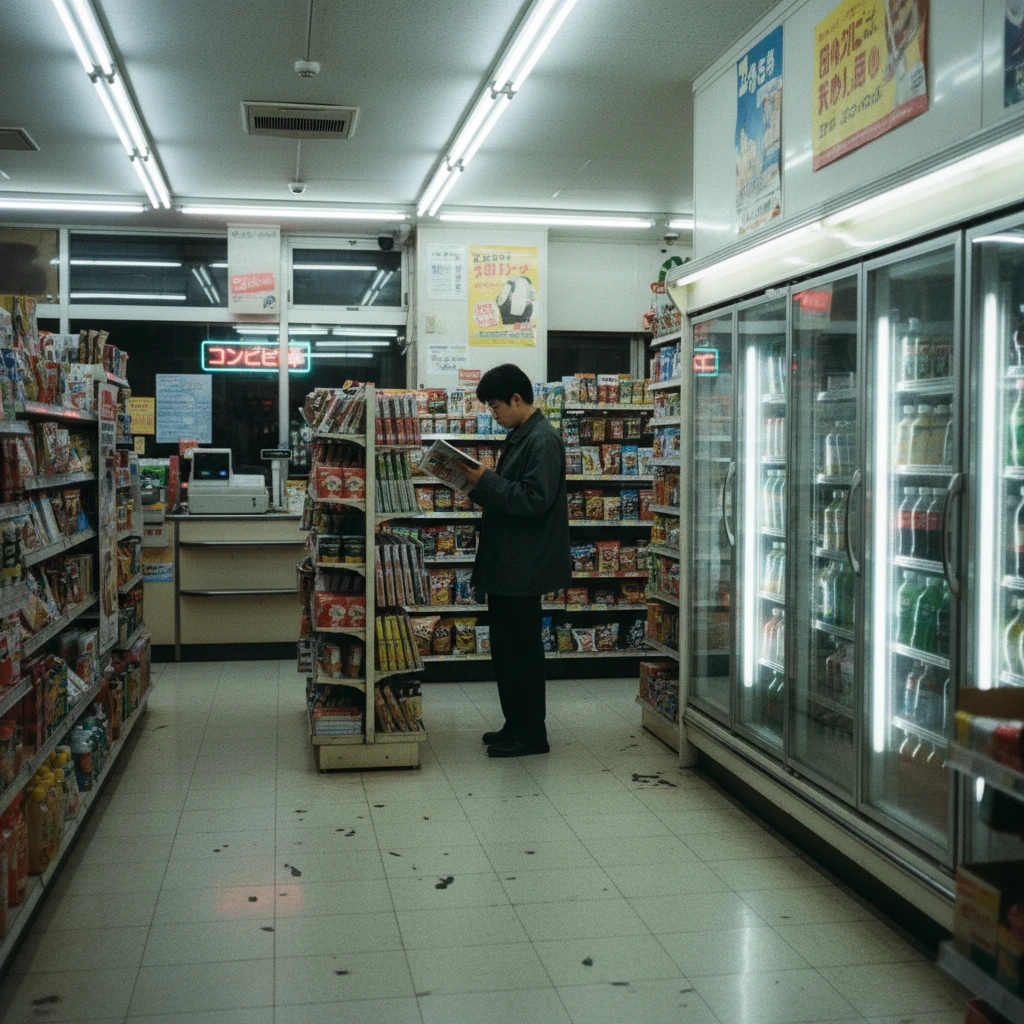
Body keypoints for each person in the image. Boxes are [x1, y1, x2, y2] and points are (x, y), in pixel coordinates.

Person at [460, 363, 571, 757]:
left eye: (495, 406)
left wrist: (483, 481)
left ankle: (532, 734)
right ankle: (515, 724)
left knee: (522, 652)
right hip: (509, 562)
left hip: (523, 565)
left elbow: (533, 499)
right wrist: (474, 483)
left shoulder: (543, 440)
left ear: (517, 399)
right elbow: (510, 494)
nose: (493, 413)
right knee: (506, 650)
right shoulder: (522, 435)